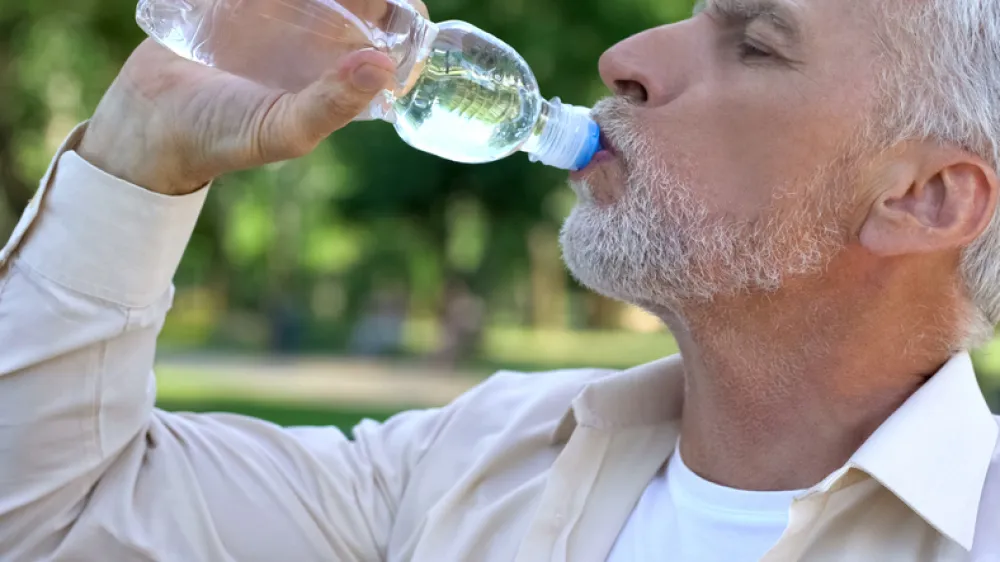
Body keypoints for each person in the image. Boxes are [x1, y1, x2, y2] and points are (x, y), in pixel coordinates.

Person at [1, 0, 999, 559]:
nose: (624, 58)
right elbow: (51, 521)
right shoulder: (472, 460)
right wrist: (135, 159)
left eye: (754, 44)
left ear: (925, 198)